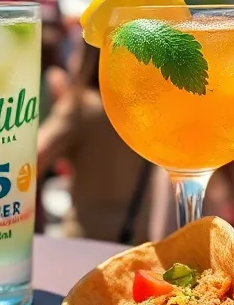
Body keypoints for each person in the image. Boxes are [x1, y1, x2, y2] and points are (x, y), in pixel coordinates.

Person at [37, 41, 154, 244]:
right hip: (137, 241)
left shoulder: (82, 107)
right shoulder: (147, 108)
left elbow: (31, 159)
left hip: (85, 244)